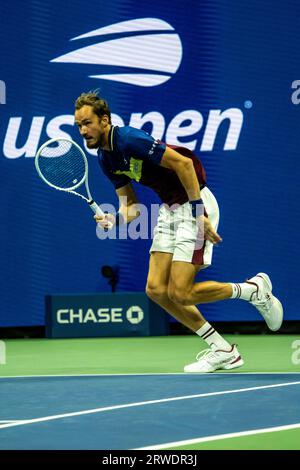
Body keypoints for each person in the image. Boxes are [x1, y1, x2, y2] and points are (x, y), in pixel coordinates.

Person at [74, 91, 283, 373]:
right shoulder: (106, 159)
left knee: (181, 293)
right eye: (79, 126)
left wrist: (199, 215)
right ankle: (222, 350)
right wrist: (114, 219)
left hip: (194, 204)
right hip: (170, 209)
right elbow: (133, 208)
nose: (83, 131)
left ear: (104, 120)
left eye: (87, 123)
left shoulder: (129, 139)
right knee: (157, 290)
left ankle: (252, 290)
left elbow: (184, 165)